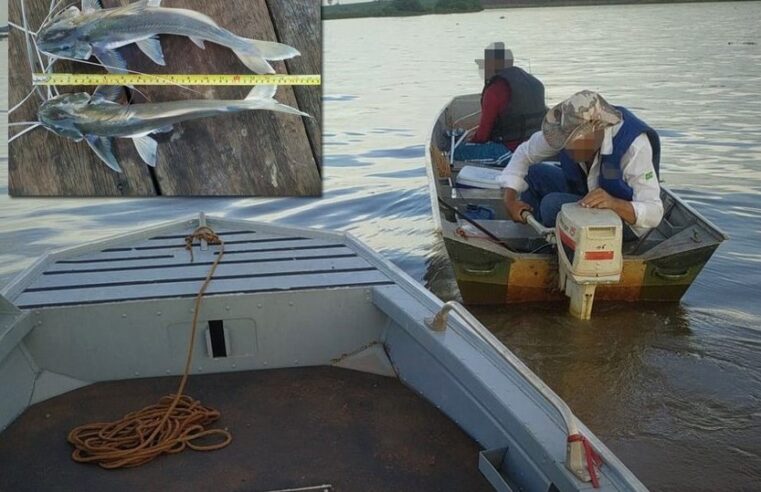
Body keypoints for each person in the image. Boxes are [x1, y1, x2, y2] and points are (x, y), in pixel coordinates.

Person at [498, 90, 663, 239]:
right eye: (566, 142)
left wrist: (614, 203)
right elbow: (524, 153)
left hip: (622, 222)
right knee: (534, 173)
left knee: (551, 205)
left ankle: (557, 244)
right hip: (585, 193)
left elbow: (654, 212)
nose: (568, 149)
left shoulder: (634, 146)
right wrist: (509, 200)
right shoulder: (564, 129)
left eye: (575, 142)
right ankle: (539, 238)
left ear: (599, 129)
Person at [453, 42, 546, 163]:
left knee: (456, 152)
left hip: (509, 152)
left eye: (486, 64)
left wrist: (470, 141)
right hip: (536, 148)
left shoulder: (494, 90)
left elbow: (482, 136)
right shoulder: (536, 83)